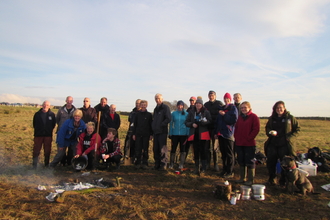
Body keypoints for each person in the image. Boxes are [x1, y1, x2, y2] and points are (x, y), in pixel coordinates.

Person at [264, 101, 300, 185]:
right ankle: (272, 179)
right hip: (273, 143)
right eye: (277, 108)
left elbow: (297, 129)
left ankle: (283, 180)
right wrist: (270, 132)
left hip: (284, 144)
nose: (279, 109)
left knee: (284, 163)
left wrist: (289, 137)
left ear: (284, 108)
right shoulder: (272, 118)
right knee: (271, 162)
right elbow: (267, 128)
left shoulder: (290, 118)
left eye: (280, 108)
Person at [234, 101, 260, 185]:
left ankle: (250, 179)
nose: (243, 109)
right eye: (242, 108)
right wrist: (236, 137)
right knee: (241, 160)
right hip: (240, 143)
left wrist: (249, 138)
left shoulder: (254, 117)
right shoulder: (240, 117)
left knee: (250, 161)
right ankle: (242, 178)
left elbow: (256, 129)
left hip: (249, 143)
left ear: (249, 108)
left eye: (245, 107)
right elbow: (236, 128)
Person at [214, 93, 238, 178]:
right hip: (221, 134)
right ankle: (224, 169)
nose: (226, 100)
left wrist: (225, 115)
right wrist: (216, 132)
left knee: (229, 154)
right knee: (223, 153)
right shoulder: (221, 109)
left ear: (230, 99)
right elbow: (218, 122)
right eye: (225, 98)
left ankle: (230, 171)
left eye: (228, 98)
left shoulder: (233, 108)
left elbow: (233, 120)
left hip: (228, 133)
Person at [185, 98, 211, 175]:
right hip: (194, 134)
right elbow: (186, 122)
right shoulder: (191, 112)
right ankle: (197, 167)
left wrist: (203, 122)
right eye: (197, 103)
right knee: (196, 151)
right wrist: (192, 124)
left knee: (203, 151)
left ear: (202, 104)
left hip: (203, 134)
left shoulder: (206, 112)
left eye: (199, 103)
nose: (198, 105)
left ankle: (203, 167)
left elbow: (210, 121)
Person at [204, 90, 224, 171]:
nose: (211, 96)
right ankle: (208, 163)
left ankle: (216, 164)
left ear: (215, 96)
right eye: (210, 95)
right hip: (207, 128)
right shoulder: (206, 104)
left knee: (215, 147)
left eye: (212, 95)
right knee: (207, 147)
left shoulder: (219, 104)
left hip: (215, 129)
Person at [32, 101, 56, 169]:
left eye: (47, 105)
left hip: (48, 135)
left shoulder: (52, 114)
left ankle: (46, 164)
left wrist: (48, 130)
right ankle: (34, 165)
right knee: (36, 150)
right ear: (42, 105)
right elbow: (34, 124)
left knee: (47, 150)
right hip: (38, 135)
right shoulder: (37, 114)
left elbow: (53, 125)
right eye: (44, 105)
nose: (45, 106)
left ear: (49, 106)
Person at [152, 93, 171, 171]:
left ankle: (163, 165)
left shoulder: (165, 108)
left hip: (162, 132)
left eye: (159, 98)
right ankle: (157, 164)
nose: (157, 100)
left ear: (162, 99)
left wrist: (161, 125)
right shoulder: (155, 109)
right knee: (155, 149)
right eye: (156, 98)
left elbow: (168, 118)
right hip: (155, 132)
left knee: (162, 149)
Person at [56, 96, 76, 166]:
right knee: (61, 148)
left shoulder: (75, 110)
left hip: (71, 133)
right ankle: (62, 162)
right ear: (66, 101)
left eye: (70, 101)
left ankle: (69, 162)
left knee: (71, 149)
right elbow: (57, 120)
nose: (69, 102)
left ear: (72, 101)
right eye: (68, 100)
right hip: (62, 132)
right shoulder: (61, 110)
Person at [132, 100, 153, 169]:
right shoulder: (137, 114)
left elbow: (151, 125)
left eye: (144, 104)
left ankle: (145, 163)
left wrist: (151, 134)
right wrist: (134, 134)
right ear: (140, 105)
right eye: (142, 104)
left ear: (146, 105)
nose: (143, 106)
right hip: (138, 134)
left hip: (146, 135)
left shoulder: (149, 115)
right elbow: (135, 125)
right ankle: (138, 163)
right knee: (138, 148)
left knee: (145, 149)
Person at [169, 100, 189, 169]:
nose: (180, 106)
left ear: (183, 106)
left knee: (182, 149)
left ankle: (181, 164)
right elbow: (171, 124)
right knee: (173, 149)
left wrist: (187, 134)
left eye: (181, 105)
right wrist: (170, 133)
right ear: (177, 106)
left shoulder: (186, 114)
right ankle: (171, 163)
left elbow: (187, 124)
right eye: (179, 105)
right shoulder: (174, 113)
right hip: (175, 134)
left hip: (183, 134)